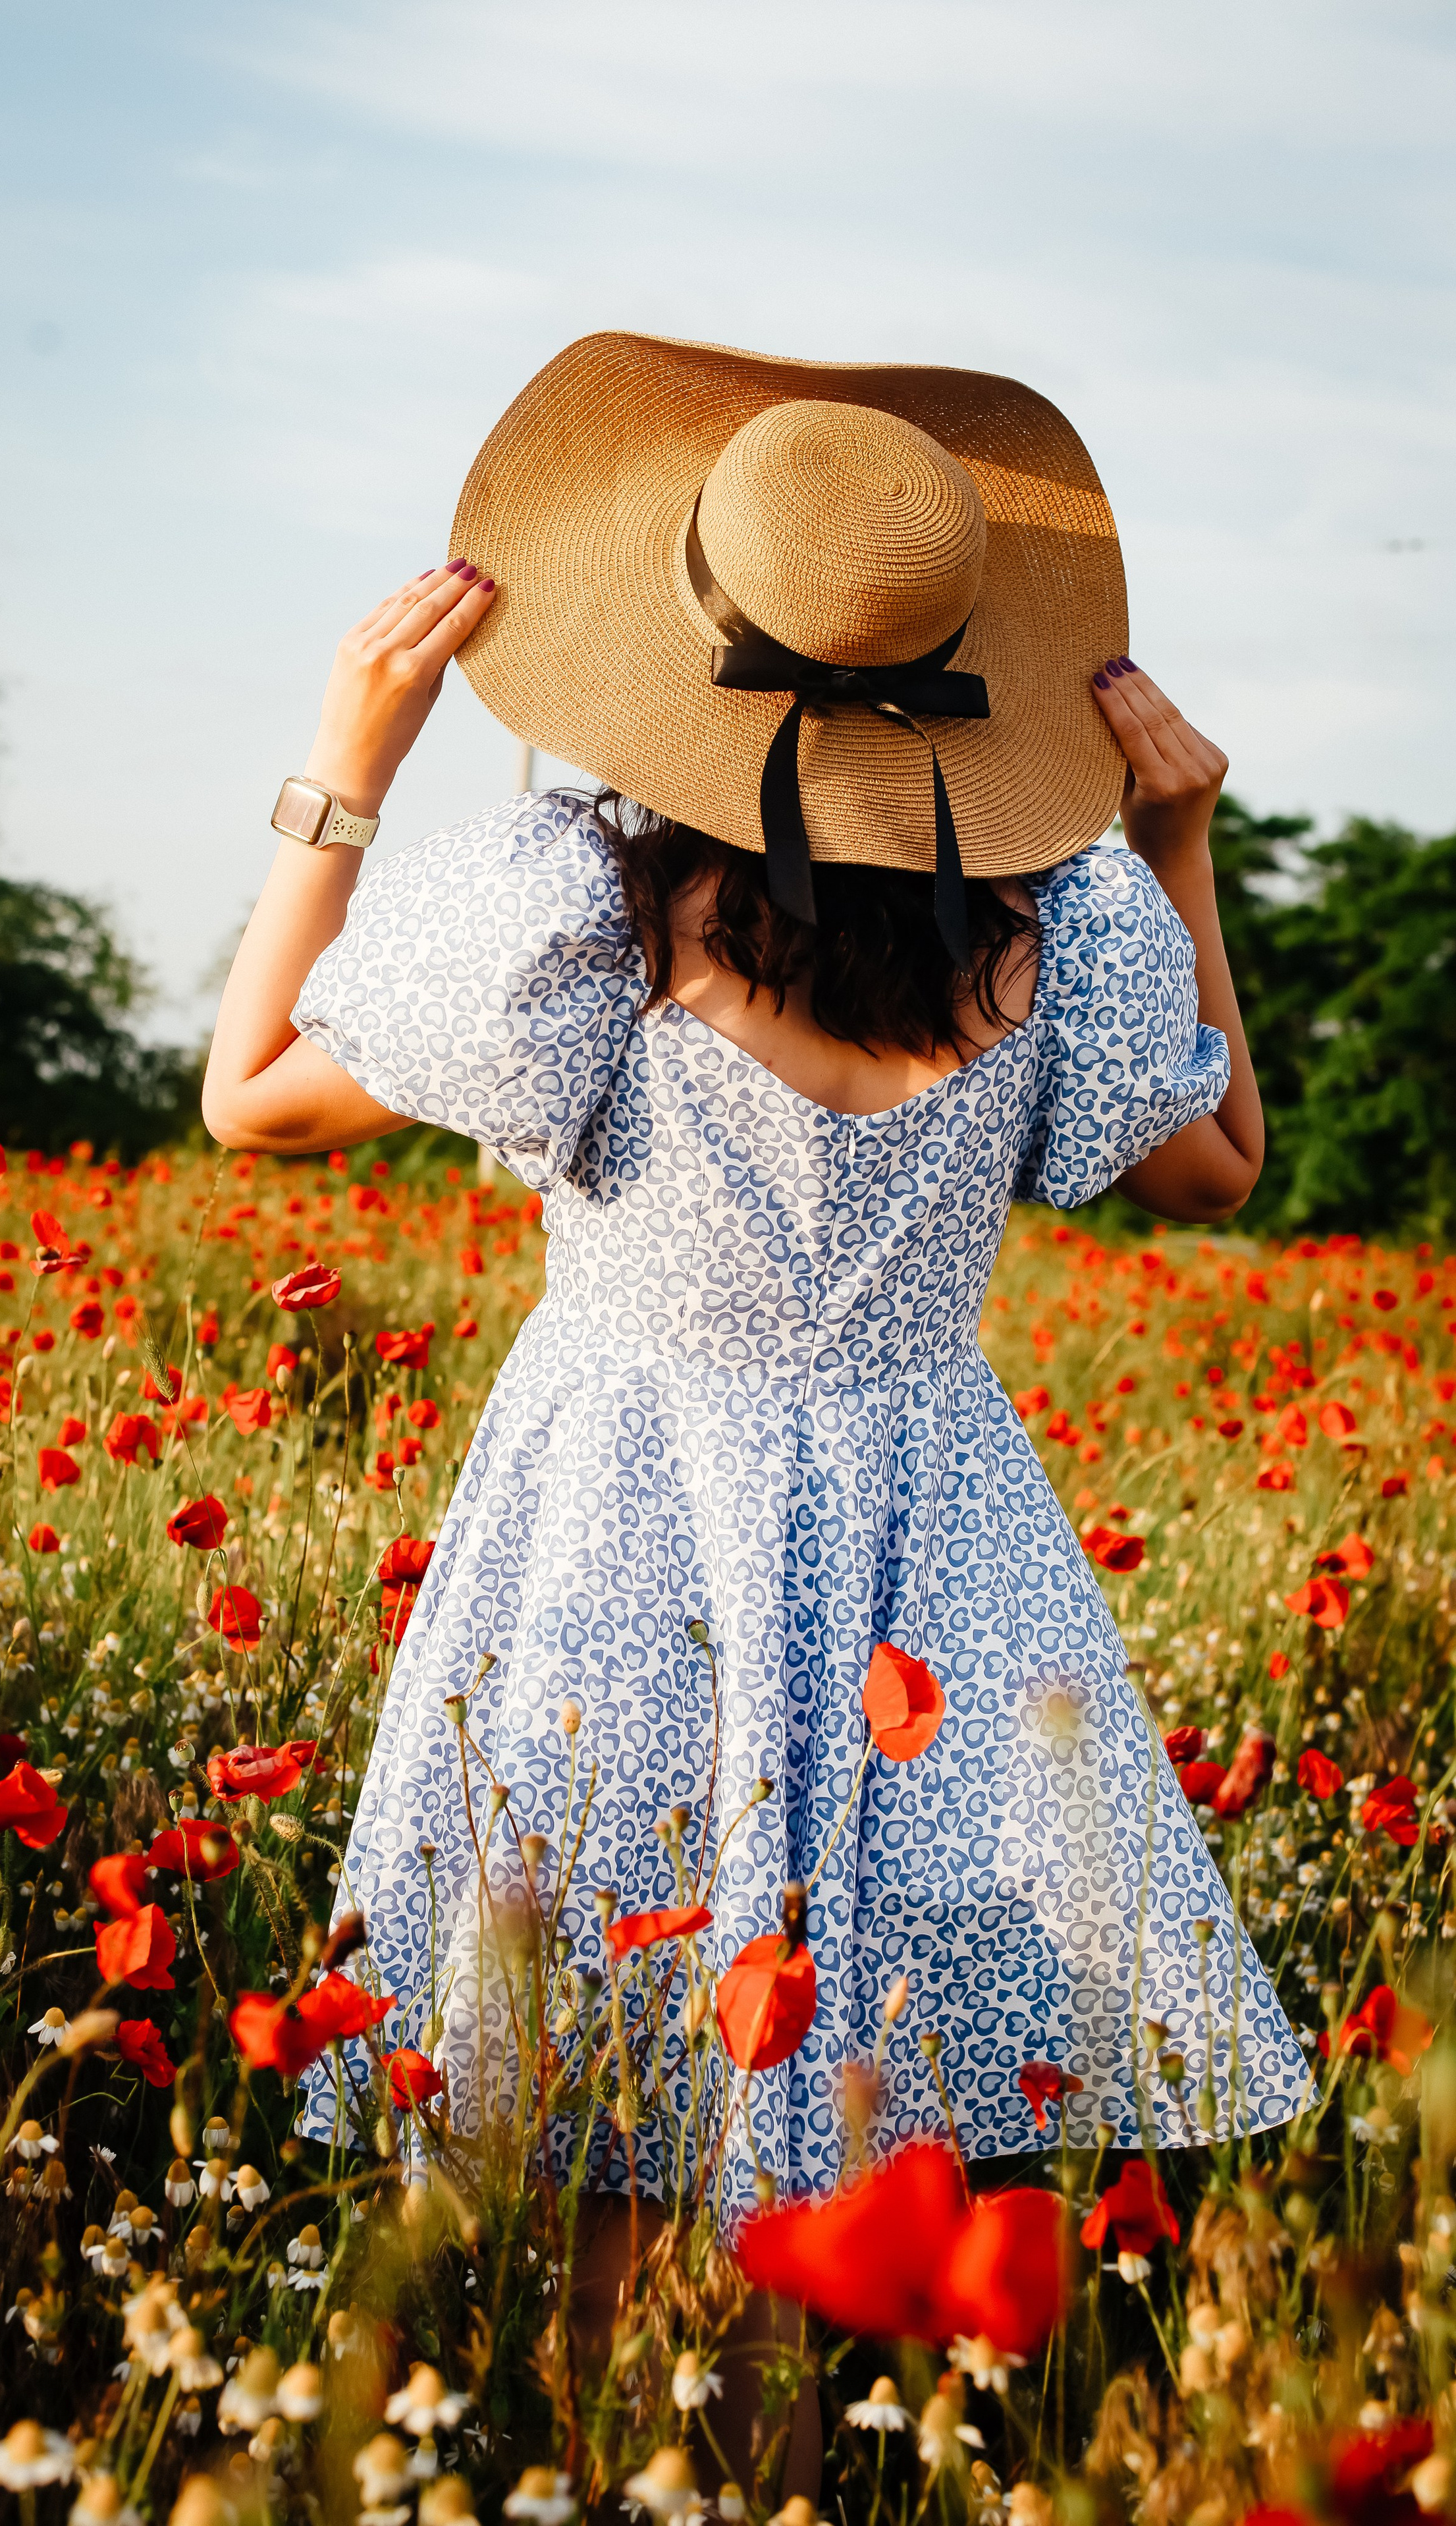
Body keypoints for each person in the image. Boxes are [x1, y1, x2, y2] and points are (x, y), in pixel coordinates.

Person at [202, 333, 1305, 2402]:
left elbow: (246, 1092)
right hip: (936, 1543)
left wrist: (345, 763)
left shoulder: (596, 902)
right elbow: (1220, 1166)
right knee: (858, 2071)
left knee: (628, 2074)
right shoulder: (1052, 922)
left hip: (627, 1522)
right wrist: (1174, 845)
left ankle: (635, 2450)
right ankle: (801, 2447)